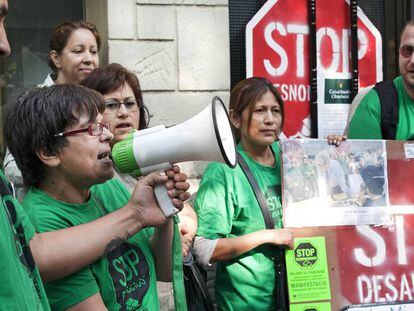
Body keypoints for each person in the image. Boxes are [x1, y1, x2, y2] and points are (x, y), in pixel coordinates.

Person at [0, 2, 189, 310]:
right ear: (48, 151)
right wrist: (137, 215)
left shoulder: (106, 186)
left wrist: (163, 213)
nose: (110, 135)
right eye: (92, 130)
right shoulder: (45, 219)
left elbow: (164, 269)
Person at [81, 63, 197, 310]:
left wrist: (172, 215)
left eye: (130, 103)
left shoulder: (152, 167)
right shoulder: (92, 180)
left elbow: (165, 268)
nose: (123, 112)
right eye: (112, 105)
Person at [193, 77, 294, 310]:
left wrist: (335, 148)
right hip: (245, 303)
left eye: (275, 110)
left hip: (298, 296)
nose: (270, 119)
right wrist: (266, 236)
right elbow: (204, 248)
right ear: (236, 118)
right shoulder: (223, 172)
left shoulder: (291, 157)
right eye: (260, 110)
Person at [3, 19, 101, 200]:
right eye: (78, 51)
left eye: (93, 51)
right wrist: (59, 173)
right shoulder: (33, 103)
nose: (89, 59)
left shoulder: (99, 101)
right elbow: (11, 167)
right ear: (56, 58)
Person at [347, 21, 414, 140]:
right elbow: (362, 157)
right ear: (399, 53)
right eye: (407, 50)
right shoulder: (373, 103)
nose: (413, 60)